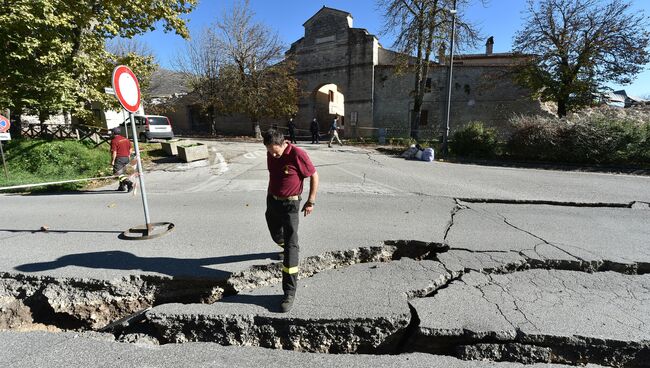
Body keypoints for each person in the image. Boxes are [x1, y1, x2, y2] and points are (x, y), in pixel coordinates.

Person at [263, 129, 319, 313]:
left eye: (274, 150)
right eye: (269, 150)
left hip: (290, 205)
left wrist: (311, 201)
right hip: (272, 200)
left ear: (283, 143)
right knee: (274, 231)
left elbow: (314, 175)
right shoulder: (271, 153)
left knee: (291, 247)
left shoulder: (297, 154)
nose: (272, 154)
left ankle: (289, 292)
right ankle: (286, 245)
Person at [110, 127, 134, 192]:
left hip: (119, 158)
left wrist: (112, 161)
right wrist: (128, 156)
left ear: (113, 133)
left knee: (118, 173)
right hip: (126, 158)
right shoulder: (126, 139)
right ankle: (121, 187)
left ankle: (129, 183)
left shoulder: (114, 140)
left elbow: (114, 152)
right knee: (122, 173)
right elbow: (130, 149)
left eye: (112, 132)